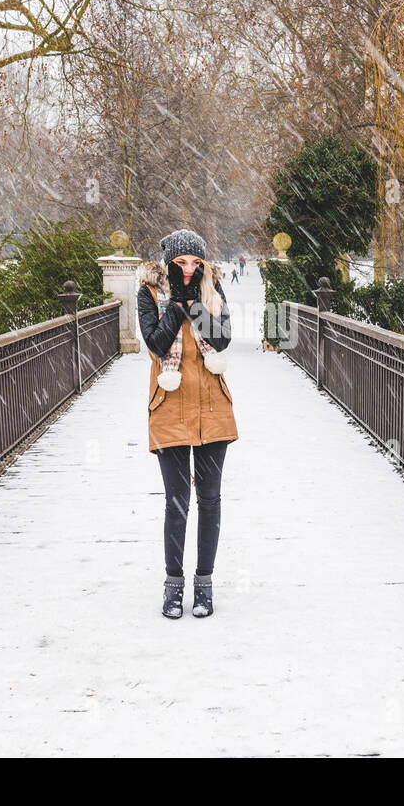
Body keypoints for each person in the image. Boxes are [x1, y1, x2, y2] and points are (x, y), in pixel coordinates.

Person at [136, 229, 238, 619]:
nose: (189, 269)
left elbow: (223, 339)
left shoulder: (213, 289)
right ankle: (173, 586)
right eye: (181, 263)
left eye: (196, 263)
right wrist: (176, 306)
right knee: (176, 503)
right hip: (169, 407)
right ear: (168, 262)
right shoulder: (149, 293)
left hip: (214, 409)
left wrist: (195, 305)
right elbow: (157, 344)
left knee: (209, 502)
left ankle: (205, 585)